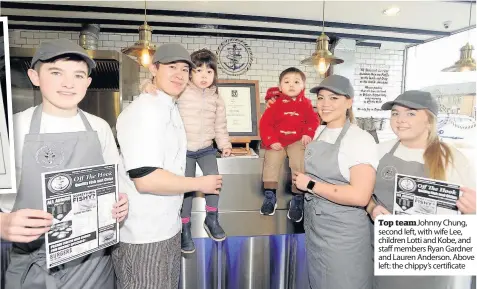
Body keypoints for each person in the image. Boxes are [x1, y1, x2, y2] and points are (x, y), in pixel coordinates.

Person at [1, 38, 129, 289]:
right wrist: (2, 224)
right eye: (56, 72)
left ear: (88, 82)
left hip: (95, 264)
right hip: (36, 265)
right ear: (34, 76)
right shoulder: (12, 129)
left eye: (79, 75)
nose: (69, 83)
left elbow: (114, 185)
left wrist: (121, 203)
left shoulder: (100, 127)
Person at [113, 43, 223, 289]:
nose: (179, 74)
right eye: (171, 67)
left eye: (184, 69)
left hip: (167, 227)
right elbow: (146, 179)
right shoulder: (144, 111)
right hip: (145, 235)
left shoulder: (168, 106)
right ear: (154, 68)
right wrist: (200, 183)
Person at [366, 90, 476, 289]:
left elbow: (470, 210)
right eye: (395, 113)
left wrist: (473, 208)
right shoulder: (378, 151)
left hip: (430, 260)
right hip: (383, 254)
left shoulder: (452, 157)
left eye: (410, 113)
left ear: (429, 121)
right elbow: (365, 196)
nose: (399, 120)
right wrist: (372, 208)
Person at [140, 48, 231, 253]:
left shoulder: (216, 96)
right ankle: (186, 228)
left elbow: (220, 124)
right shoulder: (181, 90)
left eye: (209, 72)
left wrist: (224, 144)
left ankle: (212, 218)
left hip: (206, 148)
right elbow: (158, 90)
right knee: (186, 189)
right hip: (184, 150)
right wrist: (147, 84)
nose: (204, 76)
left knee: (214, 181)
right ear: (190, 73)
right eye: (198, 71)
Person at [292, 74, 377, 289]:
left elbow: (360, 196)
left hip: (342, 236)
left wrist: (309, 185)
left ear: (349, 102)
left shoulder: (359, 139)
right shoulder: (320, 131)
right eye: (321, 98)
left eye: (334, 98)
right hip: (316, 228)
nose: (325, 104)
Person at [259, 67, 319, 222]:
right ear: (280, 87)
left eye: (296, 82)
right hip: (277, 141)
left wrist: (308, 133)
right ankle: (270, 195)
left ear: (303, 87)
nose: (291, 85)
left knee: (299, 161)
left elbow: (313, 120)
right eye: (287, 82)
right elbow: (265, 124)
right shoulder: (274, 104)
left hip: (297, 140)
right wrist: (271, 141)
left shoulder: (306, 104)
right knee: (271, 160)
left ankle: (297, 197)